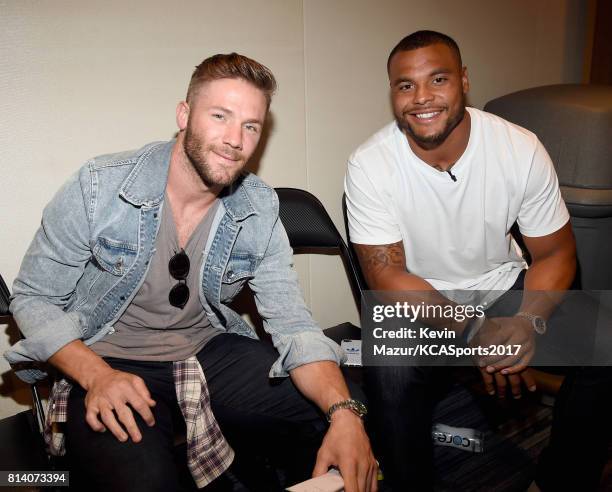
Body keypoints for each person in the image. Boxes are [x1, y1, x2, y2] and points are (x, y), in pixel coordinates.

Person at [6, 53, 378, 492]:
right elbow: (32, 298)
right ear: (184, 115)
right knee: (144, 482)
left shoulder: (257, 207)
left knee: (353, 413)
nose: (234, 139)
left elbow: (293, 323)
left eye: (251, 126)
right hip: (107, 359)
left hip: (207, 351)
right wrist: (95, 375)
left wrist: (345, 413)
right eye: (220, 116)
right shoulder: (99, 186)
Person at [345, 31, 611, 491]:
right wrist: (473, 331)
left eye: (438, 79)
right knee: (387, 368)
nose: (421, 98)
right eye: (405, 85)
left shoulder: (519, 147)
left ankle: (561, 480)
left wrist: (528, 322)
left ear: (464, 81)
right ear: (392, 93)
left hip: (502, 287)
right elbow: (387, 275)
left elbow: (556, 252)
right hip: (418, 300)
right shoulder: (370, 164)